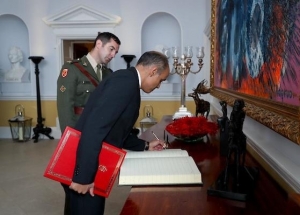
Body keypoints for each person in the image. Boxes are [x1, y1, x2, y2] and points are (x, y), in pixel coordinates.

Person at [62, 51, 170, 215]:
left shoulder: (127, 80)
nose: (158, 85)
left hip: (92, 162)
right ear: (153, 71)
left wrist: (145, 145)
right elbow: (95, 128)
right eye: (160, 80)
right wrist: (82, 177)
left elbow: (116, 129)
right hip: (86, 167)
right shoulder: (125, 83)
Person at [57, 32, 121, 134]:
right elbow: (65, 107)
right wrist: (70, 135)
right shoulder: (72, 68)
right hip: (80, 127)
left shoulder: (107, 73)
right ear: (99, 44)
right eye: (111, 49)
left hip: (100, 129)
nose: (113, 55)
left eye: (115, 52)